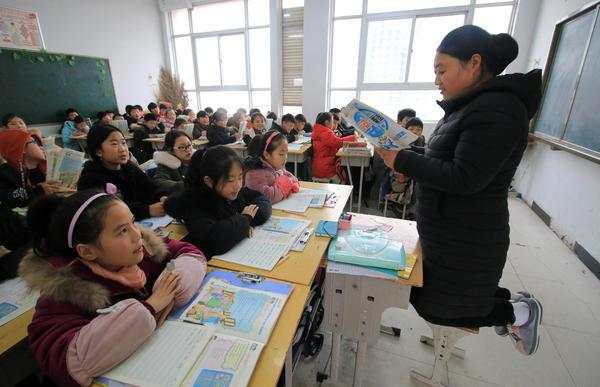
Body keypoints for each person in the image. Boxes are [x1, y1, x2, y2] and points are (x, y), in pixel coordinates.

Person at [376, 25, 543, 355]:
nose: (437, 80)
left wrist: (403, 162)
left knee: (440, 308)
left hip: (469, 234)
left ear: (474, 63)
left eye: (442, 70)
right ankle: (513, 302)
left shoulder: (499, 109)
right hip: (450, 231)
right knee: (439, 296)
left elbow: (465, 176)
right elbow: (445, 158)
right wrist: (403, 153)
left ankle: (521, 313)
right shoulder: (469, 106)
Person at [20, 189, 207, 386]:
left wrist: (175, 285)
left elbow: (188, 252)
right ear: (87, 251)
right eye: (122, 231)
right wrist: (149, 308)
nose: (137, 235)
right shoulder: (64, 291)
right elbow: (66, 360)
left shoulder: (140, 251)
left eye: (133, 222)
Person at [165, 146, 271, 258]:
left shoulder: (232, 191)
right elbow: (215, 241)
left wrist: (240, 225)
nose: (237, 185)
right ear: (209, 181)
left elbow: (262, 201)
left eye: (240, 177)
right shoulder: (195, 202)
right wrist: (245, 219)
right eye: (230, 180)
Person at [77, 125, 165, 220]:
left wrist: (161, 197)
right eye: (114, 144)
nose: (123, 149)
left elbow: (151, 187)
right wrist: (147, 210)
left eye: (123, 143)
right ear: (98, 151)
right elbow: (106, 212)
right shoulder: (90, 179)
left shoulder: (129, 167)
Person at [244, 131, 299, 203]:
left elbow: (288, 175)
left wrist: (293, 182)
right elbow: (266, 196)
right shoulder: (254, 173)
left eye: (286, 153)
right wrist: (283, 188)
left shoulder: (276, 167)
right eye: (281, 154)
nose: (285, 157)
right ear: (266, 155)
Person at [311, 112, 356, 183]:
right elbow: (338, 143)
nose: (334, 124)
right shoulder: (325, 133)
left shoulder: (319, 131)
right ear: (326, 122)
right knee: (342, 181)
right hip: (325, 168)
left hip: (319, 165)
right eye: (332, 121)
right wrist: (354, 137)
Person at [153, 130, 193, 195]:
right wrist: (185, 185)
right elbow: (159, 182)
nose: (188, 150)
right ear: (170, 149)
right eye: (182, 147)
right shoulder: (166, 164)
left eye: (189, 145)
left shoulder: (195, 159)